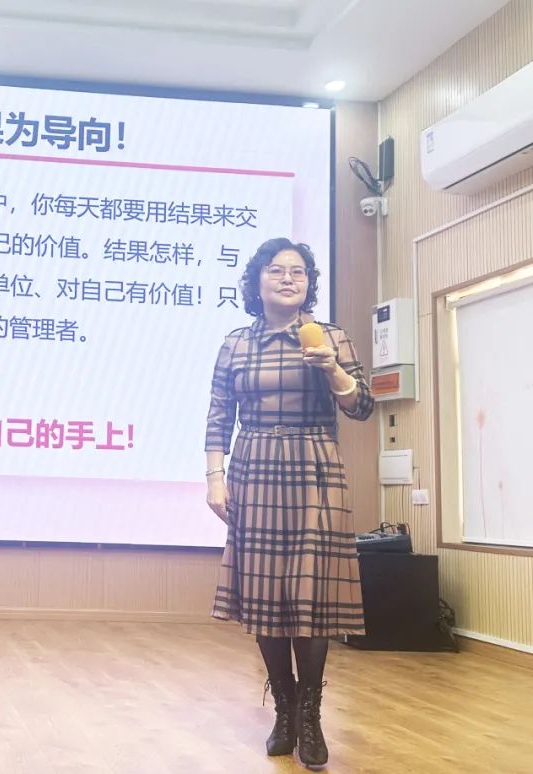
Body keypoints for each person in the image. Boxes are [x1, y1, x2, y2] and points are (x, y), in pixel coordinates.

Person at [204, 237, 374, 769]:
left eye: (298, 272)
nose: (287, 278)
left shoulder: (331, 337)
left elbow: (362, 406)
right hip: (254, 466)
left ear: (309, 284)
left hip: (316, 466)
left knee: (311, 591)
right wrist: (214, 477)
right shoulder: (236, 343)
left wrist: (333, 369)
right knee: (264, 594)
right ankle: (284, 706)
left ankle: (310, 714)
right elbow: (219, 415)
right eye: (276, 270)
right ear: (257, 282)